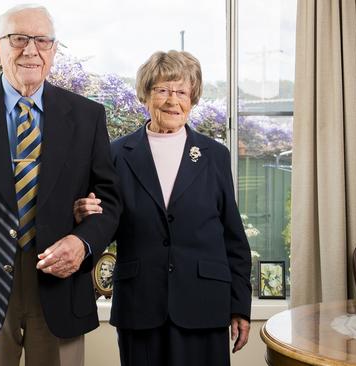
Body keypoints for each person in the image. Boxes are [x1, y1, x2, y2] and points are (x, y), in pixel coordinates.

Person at [0, 5, 120, 366]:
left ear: (53, 50)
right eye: (18, 39)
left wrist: (82, 241)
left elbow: (109, 201)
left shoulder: (87, 116)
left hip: (61, 284)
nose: (31, 50)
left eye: (42, 40)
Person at [74, 50, 252, 366]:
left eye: (181, 91)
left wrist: (240, 306)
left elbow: (233, 239)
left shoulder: (215, 155)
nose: (172, 100)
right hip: (140, 306)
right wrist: (85, 214)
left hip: (204, 305)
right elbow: (104, 224)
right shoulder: (115, 154)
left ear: (193, 98)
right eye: (162, 90)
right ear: (146, 95)